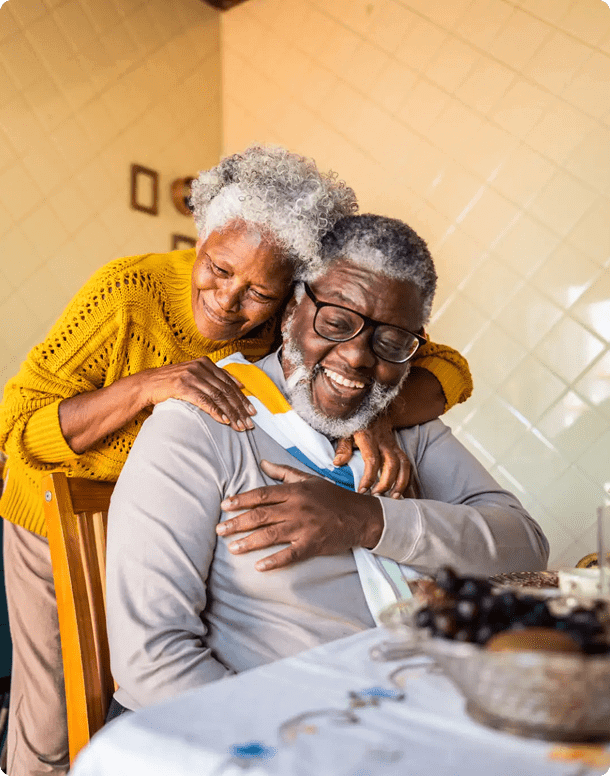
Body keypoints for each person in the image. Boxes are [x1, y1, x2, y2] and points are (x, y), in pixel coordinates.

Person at [0, 147, 471, 775]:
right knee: (55, 718)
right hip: (59, 516)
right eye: (218, 268)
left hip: (174, 524)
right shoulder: (128, 294)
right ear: (201, 240)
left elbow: (444, 368)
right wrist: (145, 387)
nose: (226, 300)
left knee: (143, 683)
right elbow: (17, 429)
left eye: (258, 291)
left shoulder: (287, 322)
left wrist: (375, 411)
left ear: (294, 297)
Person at [105, 214, 549, 715]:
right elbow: (152, 661)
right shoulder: (200, 426)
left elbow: (524, 547)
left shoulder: (399, 423)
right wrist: (305, 740)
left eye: (391, 342)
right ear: (293, 308)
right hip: (260, 728)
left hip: (404, 709)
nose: (358, 357)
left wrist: (365, 520)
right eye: (335, 323)